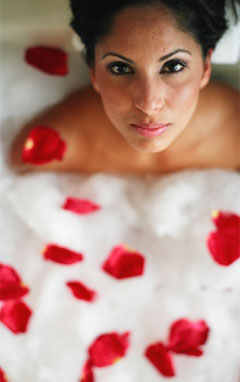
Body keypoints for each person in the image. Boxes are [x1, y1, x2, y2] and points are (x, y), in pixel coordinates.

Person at [11, 0, 240, 174]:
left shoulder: (235, 135)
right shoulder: (59, 141)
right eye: (120, 68)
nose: (148, 104)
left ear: (206, 66)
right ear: (93, 71)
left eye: (174, 66)